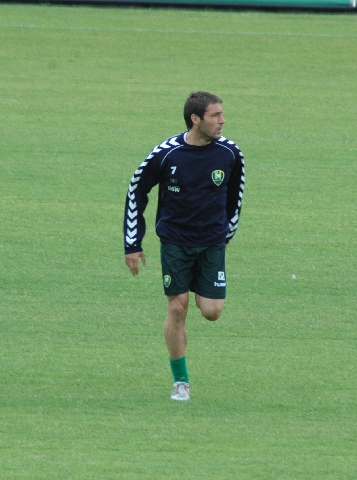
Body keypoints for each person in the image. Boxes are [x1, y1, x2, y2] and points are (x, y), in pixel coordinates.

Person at [123, 91, 245, 401]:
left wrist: (227, 234)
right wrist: (132, 243)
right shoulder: (167, 153)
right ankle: (181, 382)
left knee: (212, 311)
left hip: (212, 242)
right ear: (196, 119)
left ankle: (197, 287)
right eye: (215, 115)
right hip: (175, 241)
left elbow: (235, 198)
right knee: (177, 308)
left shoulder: (230, 153)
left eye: (221, 114)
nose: (222, 120)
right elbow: (136, 190)